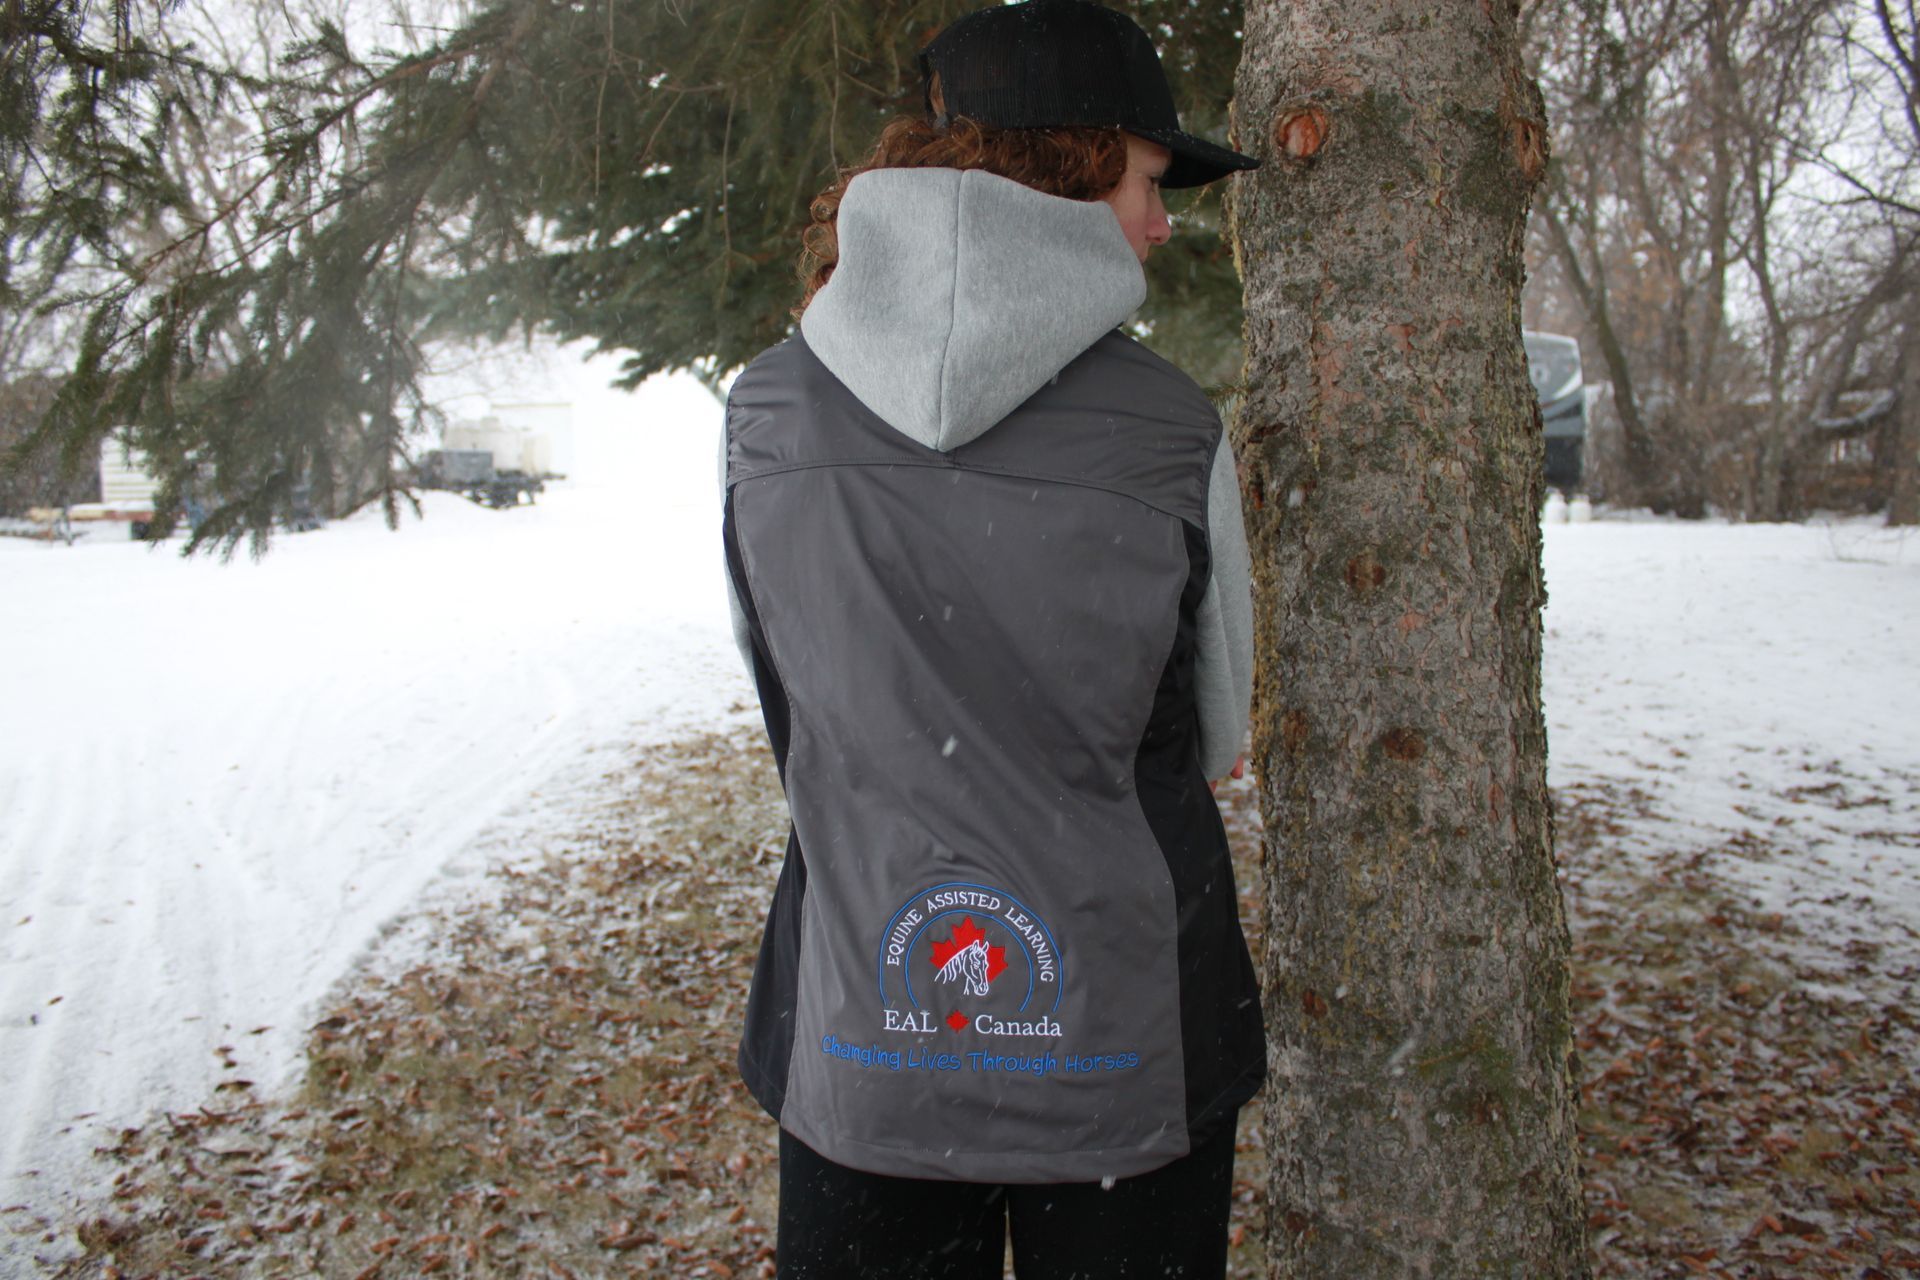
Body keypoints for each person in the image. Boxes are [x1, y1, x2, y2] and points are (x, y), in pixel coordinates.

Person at [718, 2, 1263, 1274]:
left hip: (864, 1034)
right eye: (1146, 178)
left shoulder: (764, 412)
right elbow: (1222, 738)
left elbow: (788, 707)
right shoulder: (1176, 432)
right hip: (1126, 1051)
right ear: (1070, 172)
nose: (1162, 219)